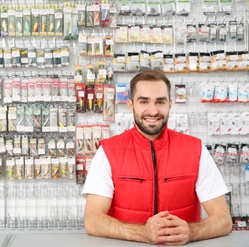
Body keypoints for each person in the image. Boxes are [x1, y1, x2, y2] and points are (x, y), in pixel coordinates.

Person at [82, 70, 232, 245]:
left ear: (170, 104)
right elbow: (92, 220)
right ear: (131, 105)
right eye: (144, 101)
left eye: (160, 102)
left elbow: (223, 219)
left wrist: (192, 232)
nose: (153, 111)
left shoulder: (195, 149)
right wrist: (142, 233)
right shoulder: (108, 152)